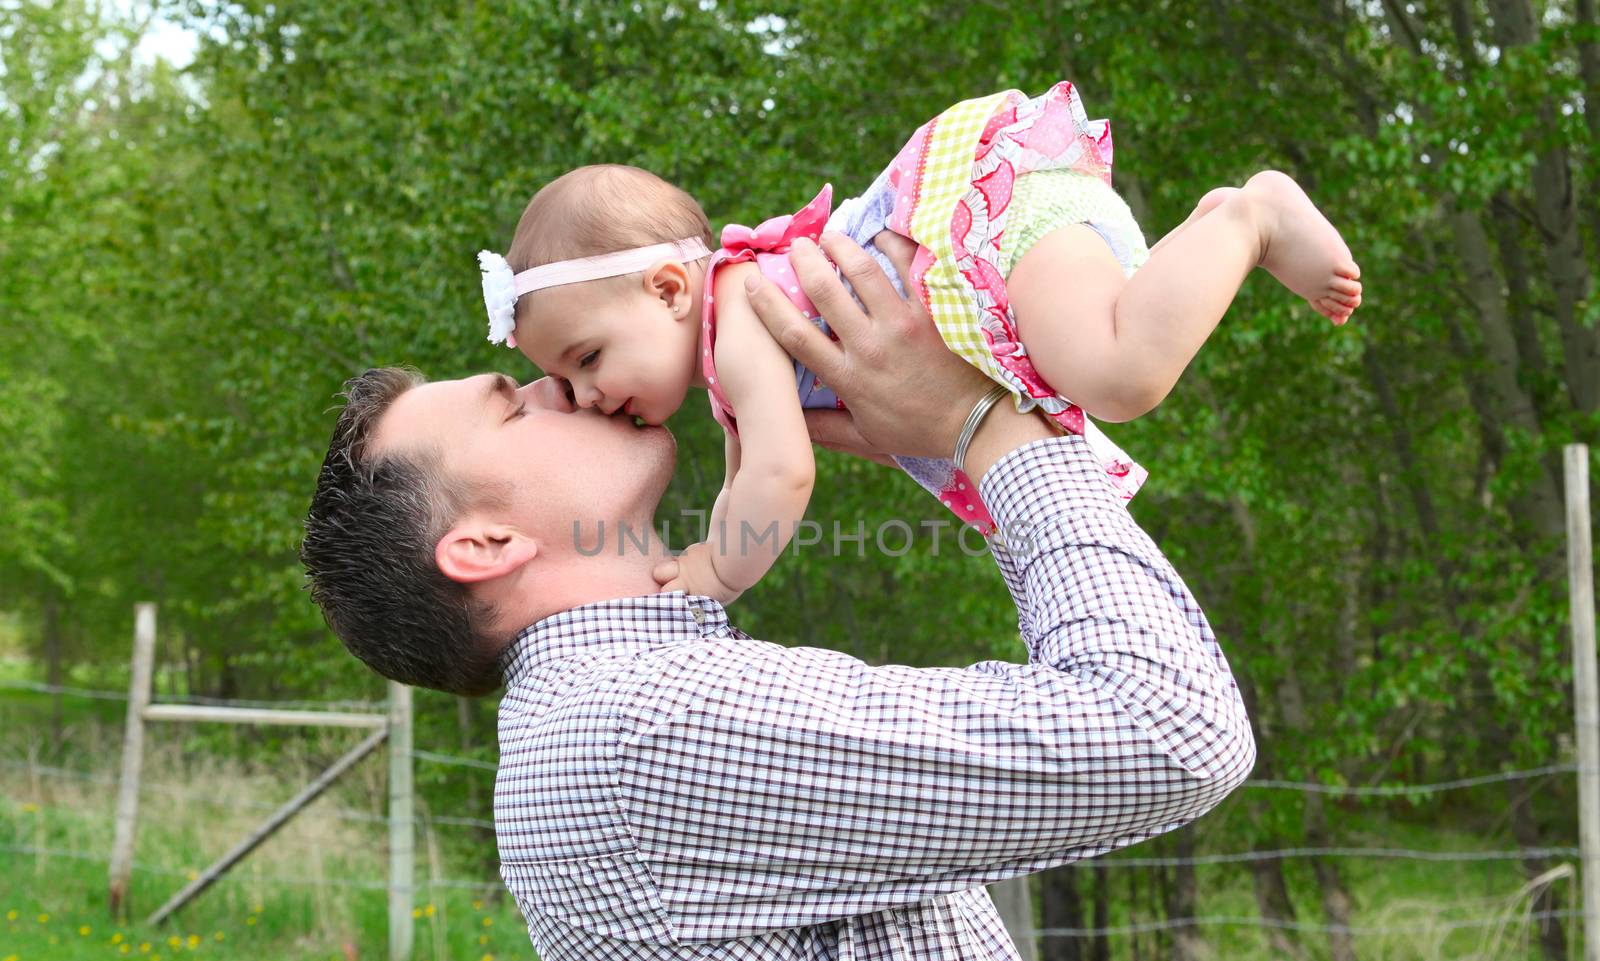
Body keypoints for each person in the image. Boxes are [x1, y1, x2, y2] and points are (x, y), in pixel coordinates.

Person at [300, 230, 1257, 961]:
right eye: (516, 406)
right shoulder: (647, 724)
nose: (564, 384)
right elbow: (1170, 725)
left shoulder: (595, 725)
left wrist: (945, 441)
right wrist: (988, 432)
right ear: (483, 546)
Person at [476, 82, 1361, 604]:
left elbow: (780, 476)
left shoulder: (741, 314)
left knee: (1125, 374)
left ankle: (1250, 214)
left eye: (585, 358)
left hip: (991, 227)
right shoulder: (729, 349)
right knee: (1112, 361)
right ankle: (1206, 231)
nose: (584, 395)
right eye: (560, 376)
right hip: (1007, 259)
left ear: (669, 289)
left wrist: (717, 573)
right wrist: (702, 552)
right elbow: (751, 474)